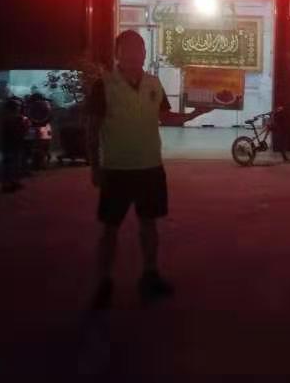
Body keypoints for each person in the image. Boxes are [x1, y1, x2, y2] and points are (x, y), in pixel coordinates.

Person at [88, 30, 206, 308]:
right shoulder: (104, 85)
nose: (134, 54)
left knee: (149, 225)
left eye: (138, 48)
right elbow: (92, 130)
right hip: (117, 169)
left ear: (144, 53)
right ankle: (104, 282)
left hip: (150, 167)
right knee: (110, 229)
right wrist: (95, 167)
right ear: (117, 53)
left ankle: (150, 275)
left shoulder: (153, 83)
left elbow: (166, 118)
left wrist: (193, 115)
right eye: (127, 49)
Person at [1, 97, 28, 193]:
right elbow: (21, 130)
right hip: (13, 143)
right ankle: (10, 183)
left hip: (12, 143)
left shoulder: (8, 118)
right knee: (11, 164)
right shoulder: (15, 118)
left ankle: (12, 182)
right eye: (18, 106)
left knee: (13, 164)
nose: (19, 108)